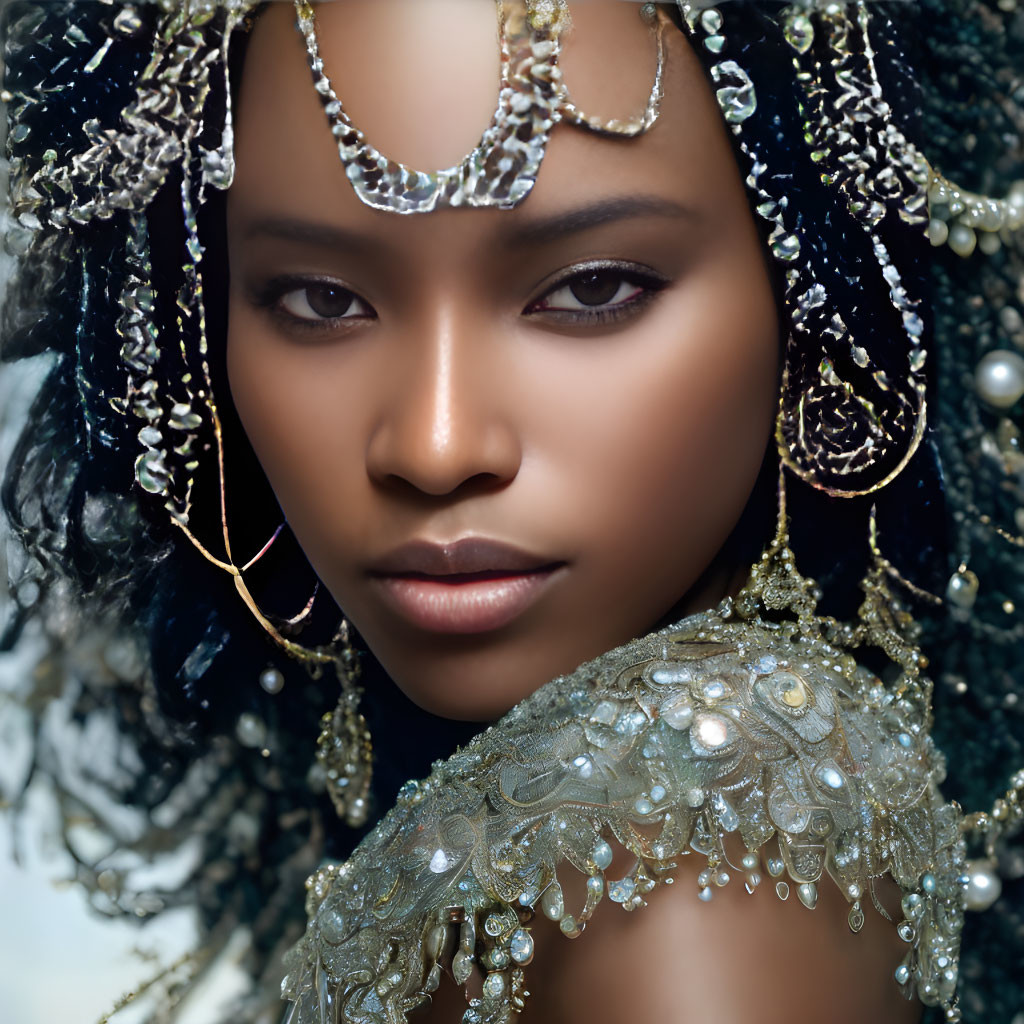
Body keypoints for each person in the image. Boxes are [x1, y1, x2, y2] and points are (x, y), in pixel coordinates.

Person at [0, 2, 1021, 1023]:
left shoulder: (693, 863)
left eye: (590, 290)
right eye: (319, 299)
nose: (434, 447)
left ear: (810, 297)